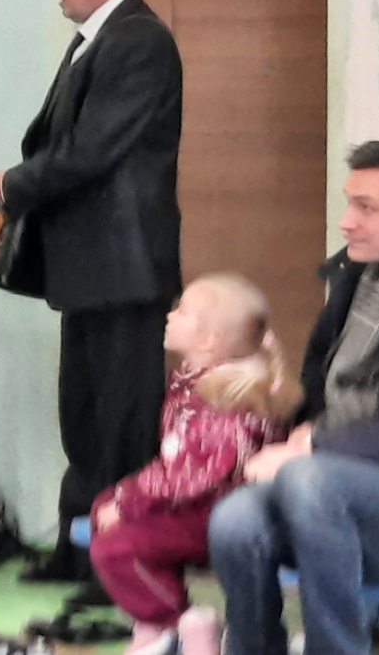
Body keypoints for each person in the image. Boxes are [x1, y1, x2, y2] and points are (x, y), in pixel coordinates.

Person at [0, 0, 184, 592]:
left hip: (126, 270)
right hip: (91, 270)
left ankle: (120, 560)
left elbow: (92, 151)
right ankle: (78, 549)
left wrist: (13, 184)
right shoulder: (95, 39)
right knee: (85, 422)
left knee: (123, 426)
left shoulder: (140, 41)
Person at [208, 137, 379, 655]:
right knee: (233, 521)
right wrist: (267, 394)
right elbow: (323, 393)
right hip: (339, 478)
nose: (345, 222)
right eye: (348, 202)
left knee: (308, 478)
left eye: (366, 207)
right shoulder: (355, 276)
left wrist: (316, 444)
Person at [89, 274, 300, 655]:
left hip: (214, 514)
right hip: (193, 505)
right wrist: (125, 498)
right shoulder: (194, 381)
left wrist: (131, 500)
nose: (170, 316)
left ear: (209, 341)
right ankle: (155, 624)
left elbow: (198, 474)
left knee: (115, 546)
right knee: (103, 509)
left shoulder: (228, 398)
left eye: (182, 311)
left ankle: (184, 623)